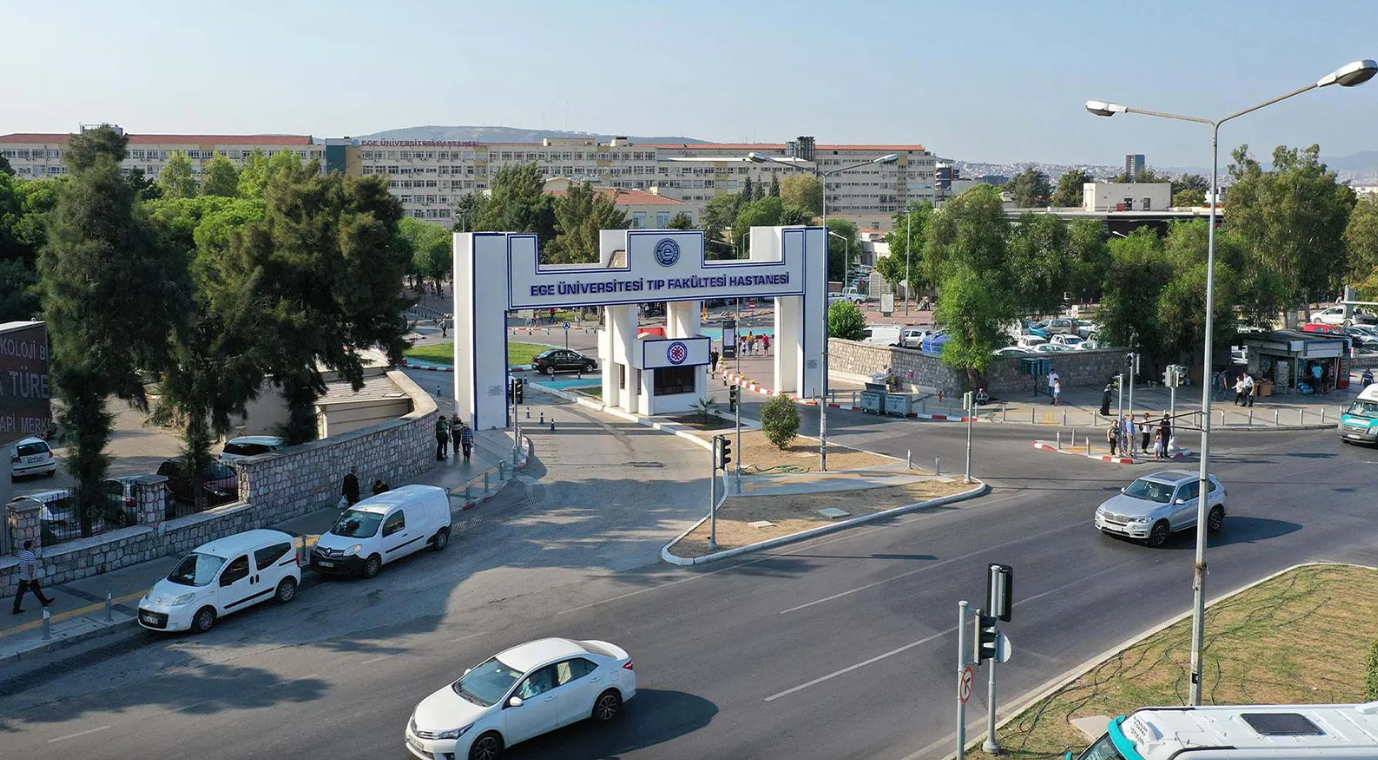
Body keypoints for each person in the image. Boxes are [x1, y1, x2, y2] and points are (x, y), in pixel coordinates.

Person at [12, 540, 54, 614]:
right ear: (29, 547)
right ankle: (44, 602)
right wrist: (30, 578)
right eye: (32, 545)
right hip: (30, 577)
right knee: (36, 589)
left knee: (21, 592)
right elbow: (30, 567)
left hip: (23, 576)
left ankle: (16, 608)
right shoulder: (30, 555)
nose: (34, 546)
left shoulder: (22, 554)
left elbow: (22, 565)